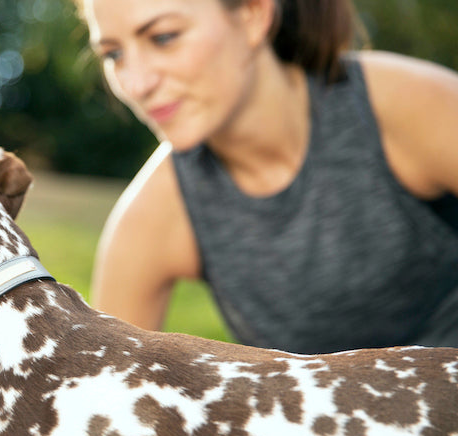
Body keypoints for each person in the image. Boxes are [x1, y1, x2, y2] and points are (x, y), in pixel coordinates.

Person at [76, 0, 458, 353]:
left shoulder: (405, 104)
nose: (137, 83)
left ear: (254, 14)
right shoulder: (153, 215)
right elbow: (105, 397)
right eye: (113, 54)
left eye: (163, 37)